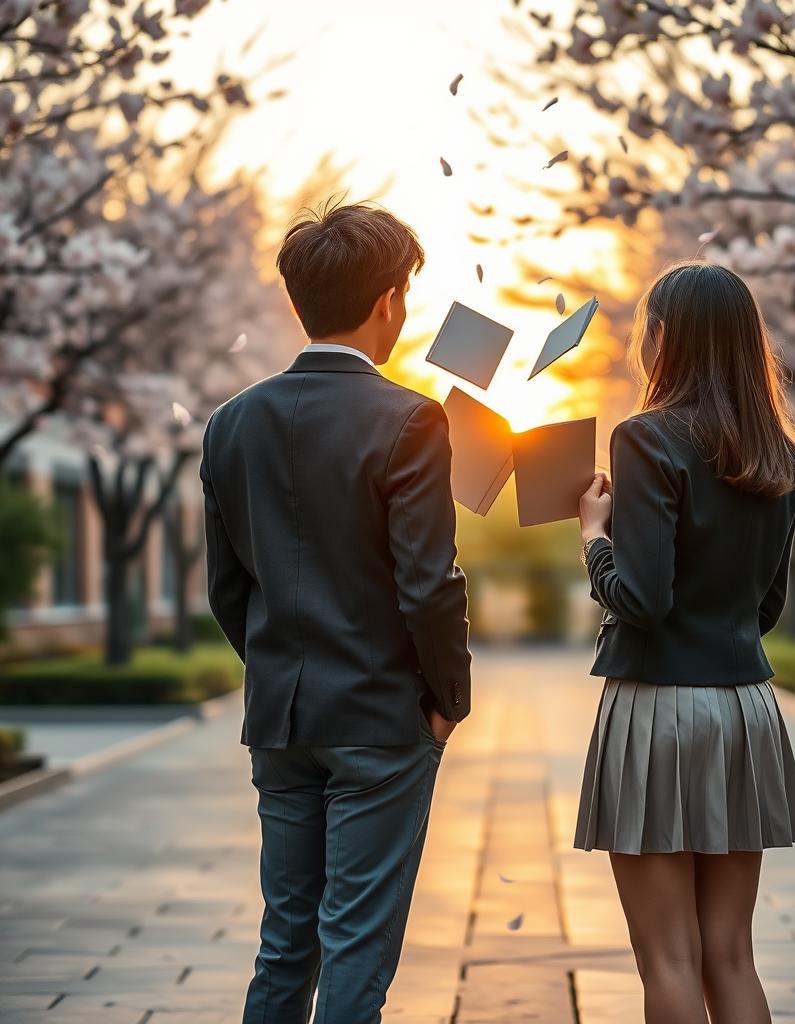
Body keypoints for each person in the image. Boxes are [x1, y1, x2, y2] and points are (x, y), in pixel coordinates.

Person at [199, 198, 471, 1024]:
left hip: (282, 721)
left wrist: (285, 669)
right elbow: (429, 584)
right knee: (356, 946)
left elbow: (226, 589)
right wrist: (446, 702)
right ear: (389, 299)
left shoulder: (230, 423)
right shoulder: (410, 419)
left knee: (286, 941)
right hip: (382, 720)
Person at [574, 261, 795, 1024]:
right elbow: (763, 607)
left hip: (656, 714)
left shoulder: (646, 438)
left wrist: (594, 538)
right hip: (745, 712)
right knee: (730, 957)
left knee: (669, 959)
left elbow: (641, 602)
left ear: (666, 338)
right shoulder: (781, 456)